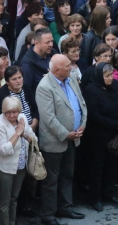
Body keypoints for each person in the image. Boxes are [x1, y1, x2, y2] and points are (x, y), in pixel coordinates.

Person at [36, 54, 87, 224]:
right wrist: (66, 134)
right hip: (55, 142)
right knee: (51, 180)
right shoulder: (44, 87)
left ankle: (65, 208)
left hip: (74, 137)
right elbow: (48, 118)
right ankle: (48, 215)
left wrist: (83, 123)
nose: (71, 67)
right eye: (67, 66)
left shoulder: (71, 78)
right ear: (57, 69)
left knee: (67, 175)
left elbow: (81, 103)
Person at [83, 62, 118, 211]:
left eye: (111, 75)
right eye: (107, 76)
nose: (110, 78)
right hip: (98, 136)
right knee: (97, 167)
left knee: (112, 165)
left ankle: (108, 192)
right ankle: (94, 198)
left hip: (117, 133)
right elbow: (94, 115)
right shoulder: (91, 90)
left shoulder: (116, 86)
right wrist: (117, 124)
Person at [0, 96, 37, 225]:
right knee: (4, 200)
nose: (12, 115)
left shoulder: (22, 118)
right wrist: (17, 133)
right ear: (3, 111)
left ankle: (12, 222)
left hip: (21, 165)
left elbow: (34, 138)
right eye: (8, 112)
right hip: (4, 167)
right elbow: (4, 150)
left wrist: (24, 133)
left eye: (15, 112)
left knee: (14, 198)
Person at [0, 65, 39, 131]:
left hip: (31, 128)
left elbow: (35, 109)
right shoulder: (2, 93)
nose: (18, 81)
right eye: (14, 79)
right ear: (7, 82)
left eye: (20, 77)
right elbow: (1, 116)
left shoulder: (26, 87)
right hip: (14, 130)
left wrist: (34, 124)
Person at [20, 28, 54, 98]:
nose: (51, 45)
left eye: (52, 41)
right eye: (47, 42)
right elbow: (27, 91)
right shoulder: (27, 65)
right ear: (37, 43)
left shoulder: (52, 52)